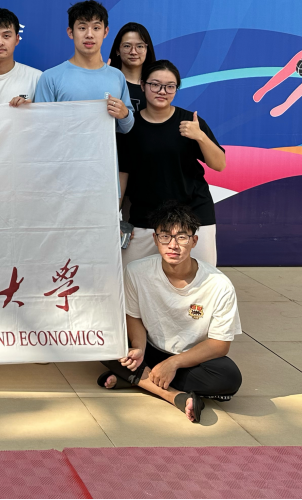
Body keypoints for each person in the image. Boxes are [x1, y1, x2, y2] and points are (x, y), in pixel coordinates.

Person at [97, 202, 242, 424]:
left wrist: (173, 363)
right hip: (150, 348)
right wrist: (139, 348)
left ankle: (138, 379)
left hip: (190, 357)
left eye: (181, 237)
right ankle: (174, 396)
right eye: (165, 236)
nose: (173, 245)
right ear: (155, 239)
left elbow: (219, 344)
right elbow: (133, 316)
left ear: (194, 241)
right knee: (103, 338)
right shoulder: (136, 271)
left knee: (228, 378)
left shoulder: (219, 284)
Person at [118, 60, 226, 267]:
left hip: (193, 214)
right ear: (143, 85)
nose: (162, 91)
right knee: (131, 276)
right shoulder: (130, 126)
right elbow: (123, 174)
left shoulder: (190, 121)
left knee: (201, 277)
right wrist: (116, 215)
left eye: (170, 86)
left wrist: (200, 136)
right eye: (155, 84)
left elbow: (219, 164)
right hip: (145, 216)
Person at [33, 0, 133, 133]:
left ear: (105, 32)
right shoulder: (50, 77)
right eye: (82, 28)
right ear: (70, 32)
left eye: (96, 28)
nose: (89, 35)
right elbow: (41, 127)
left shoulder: (117, 76)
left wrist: (125, 115)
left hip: (105, 147)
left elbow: (126, 128)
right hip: (64, 147)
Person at [108, 22, 156, 113]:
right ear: (118, 50)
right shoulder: (109, 82)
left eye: (140, 46)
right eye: (127, 46)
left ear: (147, 50)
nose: (133, 52)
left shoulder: (155, 86)